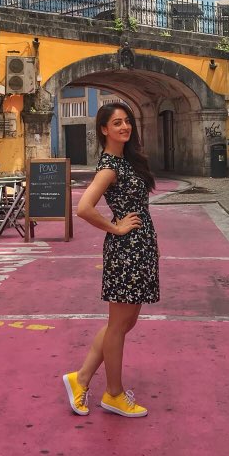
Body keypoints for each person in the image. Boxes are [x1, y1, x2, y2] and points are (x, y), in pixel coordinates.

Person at [62, 102, 158, 419]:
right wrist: (115, 227)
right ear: (104, 130)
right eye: (117, 123)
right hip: (126, 250)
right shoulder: (109, 167)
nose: (125, 127)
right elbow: (84, 208)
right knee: (118, 325)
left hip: (140, 248)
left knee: (126, 322)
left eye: (127, 121)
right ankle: (113, 393)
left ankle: (81, 378)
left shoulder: (127, 161)